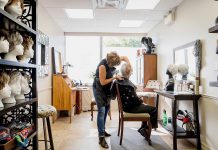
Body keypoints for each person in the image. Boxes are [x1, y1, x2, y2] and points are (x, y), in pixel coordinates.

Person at [92, 51, 130, 149]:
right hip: (99, 88)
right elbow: (103, 82)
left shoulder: (115, 58)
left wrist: (129, 67)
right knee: (101, 111)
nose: (115, 66)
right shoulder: (102, 66)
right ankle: (101, 137)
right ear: (110, 63)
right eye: (114, 65)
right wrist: (114, 77)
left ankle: (103, 130)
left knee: (106, 110)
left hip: (107, 88)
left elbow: (125, 56)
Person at [115, 63, 157, 138]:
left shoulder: (117, 82)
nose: (132, 72)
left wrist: (140, 101)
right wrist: (140, 101)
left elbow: (114, 96)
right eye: (131, 71)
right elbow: (135, 100)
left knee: (145, 107)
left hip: (125, 107)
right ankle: (147, 129)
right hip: (131, 108)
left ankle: (143, 127)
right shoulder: (128, 84)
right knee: (153, 109)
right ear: (129, 72)